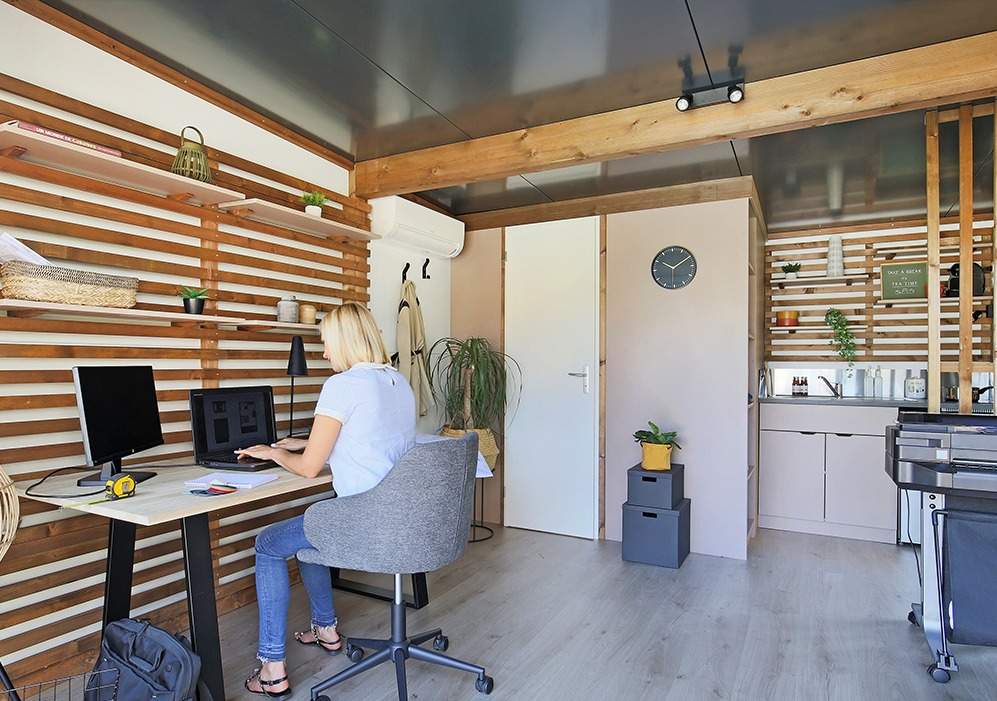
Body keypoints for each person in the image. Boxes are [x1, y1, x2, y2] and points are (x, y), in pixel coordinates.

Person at [239, 302, 415, 698]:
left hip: (362, 520)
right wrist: (305, 442)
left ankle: (272, 668)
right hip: (398, 516)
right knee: (312, 528)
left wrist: (275, 453)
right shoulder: (396, 381)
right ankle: (326, 629)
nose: (323, 352)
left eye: (326, 342)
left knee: (268, 544)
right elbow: (369, 439)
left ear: (345, 341)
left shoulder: (343, 385)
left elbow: (308, 469)